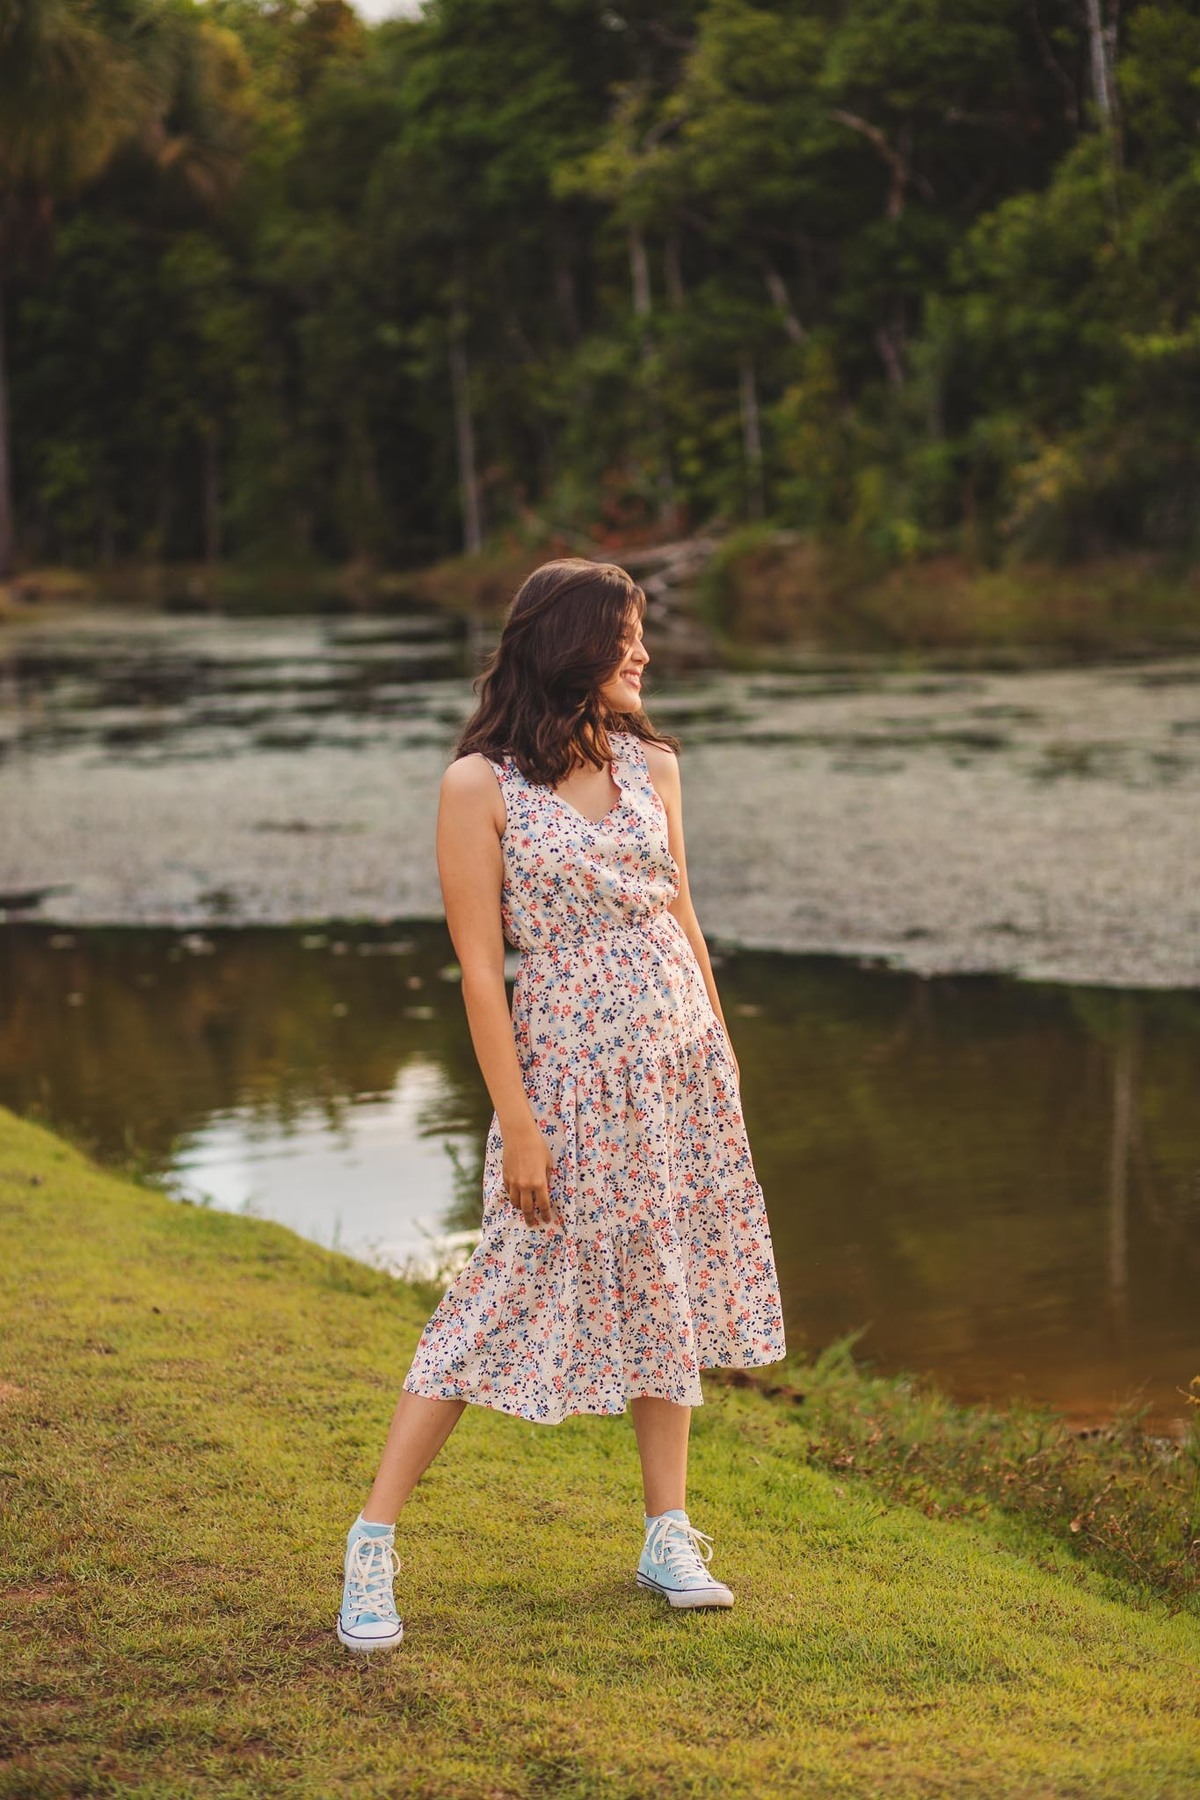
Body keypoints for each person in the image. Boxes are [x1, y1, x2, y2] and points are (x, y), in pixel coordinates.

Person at [337, 558, 786, 1651]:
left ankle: (667, 1530)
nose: (643, 653)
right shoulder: (477, 788)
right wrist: (520, 1120)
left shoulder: (652, 764)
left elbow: (682, 912)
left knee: (666, 1277)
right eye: (626, 635)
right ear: (569, 646)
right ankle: (371, 1544)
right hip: (566, 1082)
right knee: (498, 1287)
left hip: (677, 1070)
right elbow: (481, 973)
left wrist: (720, 1057)